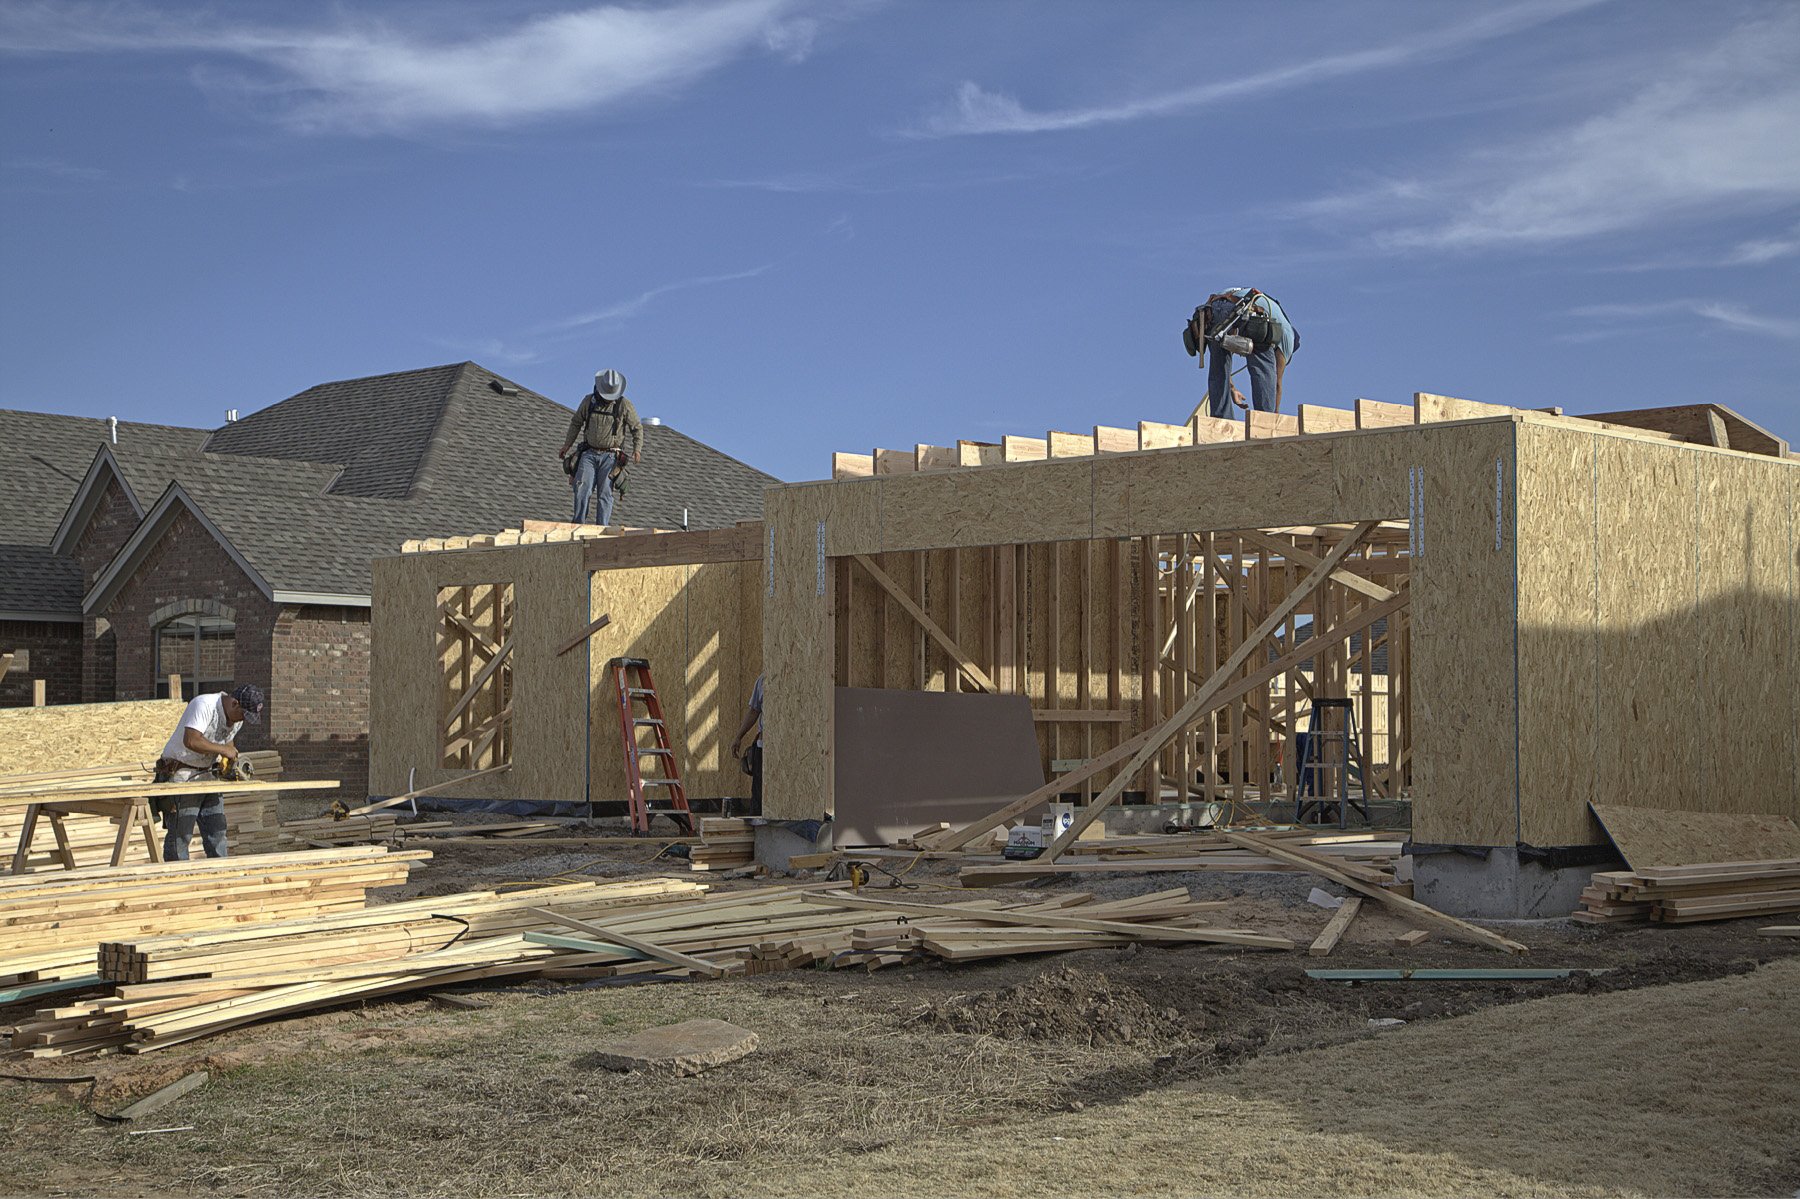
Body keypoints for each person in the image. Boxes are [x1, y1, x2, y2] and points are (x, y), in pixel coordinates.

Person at [155, 683, 264, 860]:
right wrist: (222, 750)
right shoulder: (204, 705)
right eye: (244, 713)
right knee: (181, 835)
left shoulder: (237, 718)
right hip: (183, 775)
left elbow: (227, 742)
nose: (244, 719)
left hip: (207, 775)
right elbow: (191, 740)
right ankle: (176, 880)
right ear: (235, 703)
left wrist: (231, 762)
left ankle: (220, 879)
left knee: (217, 831)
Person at [1185, 288, 1299, 417]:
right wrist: (1276, 417)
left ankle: (1221, 420)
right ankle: (1265, 420)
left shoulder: (1277, 313)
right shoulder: (1288, 337)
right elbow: (1277, 384)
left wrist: (1232, 389)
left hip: (1213, 308)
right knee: (1263, 367)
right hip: (1251, 310)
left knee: (1218, 368)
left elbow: (1224, 368)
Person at [558, 368, 643, 526]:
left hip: (610, 456)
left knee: (605, 492)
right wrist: (567, 445)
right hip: (589, 453)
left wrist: (637, 449)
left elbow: (637, 427)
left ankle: (602, 528)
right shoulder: (589, 402)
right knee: (582, 487)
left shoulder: (624, 405)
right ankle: (578, 525)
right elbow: (576, 422)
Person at [726, 673, 764, 817]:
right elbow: (754, 710)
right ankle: (760, 834)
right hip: (763, 747)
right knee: (759, 796)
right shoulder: (762, 680)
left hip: (785, 750)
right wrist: (738, 737)